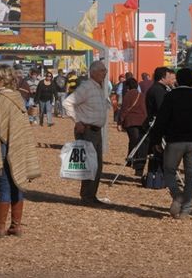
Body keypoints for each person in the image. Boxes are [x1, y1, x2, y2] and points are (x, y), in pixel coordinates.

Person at [0, 64, 41, 237]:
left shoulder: (1, 98)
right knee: (17, 184)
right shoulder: (18, 97)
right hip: (18, 145)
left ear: (1, 78)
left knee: (4, 187)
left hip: (3, 146)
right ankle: (16, 226)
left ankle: (0, 228)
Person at [151, 68, 192, 219]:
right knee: (191, 175)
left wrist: (156, 139)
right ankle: (186, 210)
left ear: (178, 80)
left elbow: (162, 119)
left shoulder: (171, 96)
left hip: (175, 139)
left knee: (169, 170)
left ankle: (177, 195)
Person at [63, 61, 109, 205]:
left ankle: (91, 195)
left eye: (105, 70)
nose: (105, 72)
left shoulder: (98, 87)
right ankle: (87, 196)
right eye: (102, 70)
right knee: (90, 164)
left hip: (95, 130)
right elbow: (67, 102)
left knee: (97, 165)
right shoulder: (86, 87)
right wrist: (77, 121)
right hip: (87, 130)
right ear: (93, 72)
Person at [143, 67, 175, 176]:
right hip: (158, 125)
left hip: (156, 124)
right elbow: (162, 109)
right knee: (159, 151)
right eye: (169, 77)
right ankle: (159, 175)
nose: (172, 80)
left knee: (157, 152)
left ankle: (157, 174)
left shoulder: (158, 89)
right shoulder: (158, 90)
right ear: (162, 77)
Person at [118, 78, 148, 177]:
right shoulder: (142, 95)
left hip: (131, 122)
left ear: (127, 86)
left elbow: (124, 109)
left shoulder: (128, 95)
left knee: (133, 141)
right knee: (140, 143)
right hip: (142, 121)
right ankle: (137, 166)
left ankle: (131, 160)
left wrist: (120, 122)